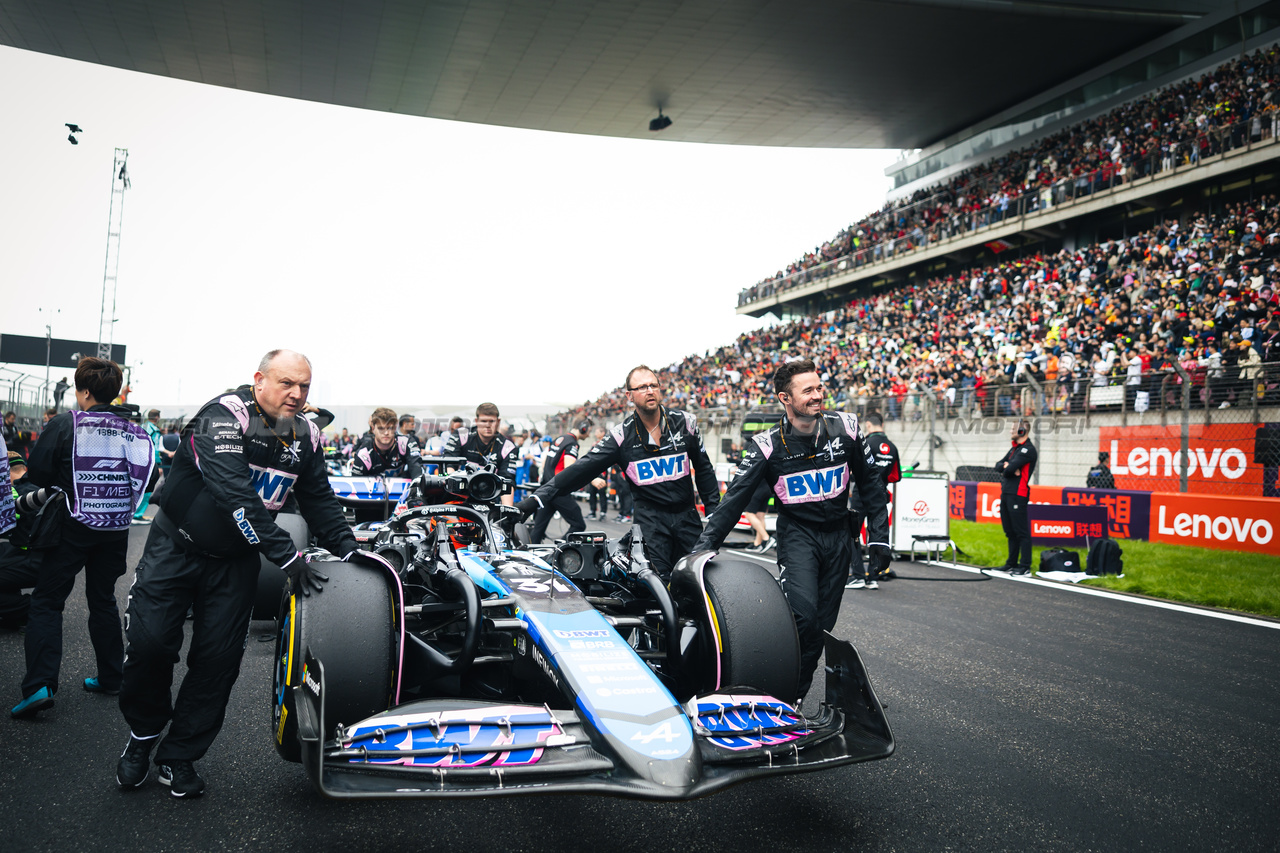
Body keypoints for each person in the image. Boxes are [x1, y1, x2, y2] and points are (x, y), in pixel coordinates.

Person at [115, 350, 360, 798]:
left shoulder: (307, 433)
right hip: (176, 547)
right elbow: (235, 494)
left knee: (218, 662)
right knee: (150, 645)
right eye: (287, 383)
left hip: (235, 563)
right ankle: (145, 733)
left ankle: (179, 755)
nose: (297, 394)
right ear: (259, 380)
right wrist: (287, 555)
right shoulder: (222, 415)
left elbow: (319, 499)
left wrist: (352, 551)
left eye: (304, 386)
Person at [692, 359, 890, 704]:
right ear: (786, 398)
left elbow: (872, 485)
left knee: (820, 629)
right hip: (798, 536)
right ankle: (777, 695)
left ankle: (793, 700)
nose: (818, 395)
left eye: (819, 387)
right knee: (802, 617)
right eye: (808, 390)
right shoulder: (767, 445)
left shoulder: (847, 426)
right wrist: (703, 547)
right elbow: (734, 500)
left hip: (840, 537)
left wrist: (880, 537)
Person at [11, 357, 154, 719]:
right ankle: (111, 676)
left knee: (47, 600)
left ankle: (40, 685)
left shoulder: (67, 422)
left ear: (85, 391)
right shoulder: (133, 430)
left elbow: (39, 472)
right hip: (115, 528)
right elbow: (148, 480)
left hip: (71, 526)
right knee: (102, 599)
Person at [518, 366, 721, 577]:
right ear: (629, 395)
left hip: (687, 517)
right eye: (642, 387)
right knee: (658, 584)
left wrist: (714, 512)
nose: (649, 391)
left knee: (699, 579)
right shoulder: (620, 436)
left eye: (653, 385)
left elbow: (704, 467)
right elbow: (580, 469)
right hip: (650, 523)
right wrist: (534, 500)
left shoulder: (686, 423)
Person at [848, 410, 901, 590]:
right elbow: (895, 477)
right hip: (880, 496)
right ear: (882, 424)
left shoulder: (865, 444)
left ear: (868, 425)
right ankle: (874, 577)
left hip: (861, 494)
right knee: (877, 535)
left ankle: (858, 575)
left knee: (853, 533)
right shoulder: (892, 447)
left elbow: (851, 471)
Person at [524, 421, 592, 544]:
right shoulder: (572, 443)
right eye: (589, 431)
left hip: (547, 489)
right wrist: (592, 478)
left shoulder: (560, 439)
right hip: (559, 490)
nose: (589, 434)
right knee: (579, 525)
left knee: (538, 529)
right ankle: (560, 549)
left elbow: (545, 461)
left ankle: (528, 556)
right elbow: (570, 469)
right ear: (583, 428)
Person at [441, 402, 517, 505]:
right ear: (476, 421)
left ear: (498, 422)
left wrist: (507, 513)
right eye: (483, 421)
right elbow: (449, 466)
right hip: (457, 497)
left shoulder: (508, 447)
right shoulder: (461, 435)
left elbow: (508, 482)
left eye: (492, 421)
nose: (487, 425)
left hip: (488, 500)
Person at [995, 418, 1038, 575]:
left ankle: (1025, 565)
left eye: (1013, 429)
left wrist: (1008, 467)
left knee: (1021, 532)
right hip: (1006, 493)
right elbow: (998, 466)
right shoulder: (1014, 449)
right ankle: (1011, 563)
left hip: (1018, 495)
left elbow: (1007, 469)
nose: (1010, 432)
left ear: (1022, 431)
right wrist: (1008, 466)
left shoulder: (1028, 450)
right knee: (1010, 532)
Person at [351, 407, 422, 478]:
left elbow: (417, 471)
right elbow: (357, 485)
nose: (386, 433)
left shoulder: (406, 443)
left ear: (395, 428)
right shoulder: (364, 454)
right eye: (381, 428)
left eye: (390, 428)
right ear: (373, 429)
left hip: (401, 487)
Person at [132, 409, 165, 524]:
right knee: (147, 489)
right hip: (149, 462)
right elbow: (154, 448)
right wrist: (158, 465)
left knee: (137, 487)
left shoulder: (142, 426)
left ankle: (133, 513)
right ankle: (138, 515)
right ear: (157, 417)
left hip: (137, 461)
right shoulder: (155, 430)